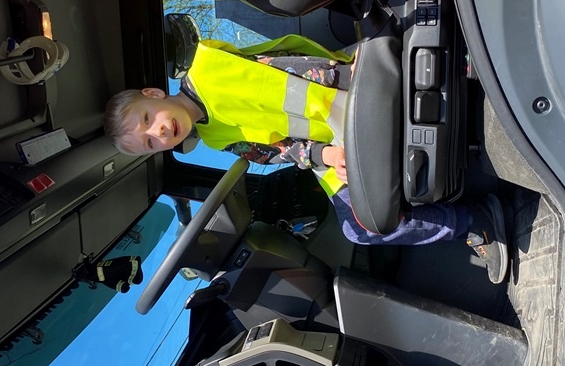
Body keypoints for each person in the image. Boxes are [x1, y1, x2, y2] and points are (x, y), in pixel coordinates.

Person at [104, 35, 508, 283]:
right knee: (359, 227)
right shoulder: (212, 138)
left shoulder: (209, 69)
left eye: (148, 119)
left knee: (365, 218)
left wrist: (348, 87)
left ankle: (473, 221)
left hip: (341, 99)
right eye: (150, 144)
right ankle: (472, 220)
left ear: (154, 94)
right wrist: (322, 155)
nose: (159, 133)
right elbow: (272, 152)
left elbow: (288, 71)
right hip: (328, 142)